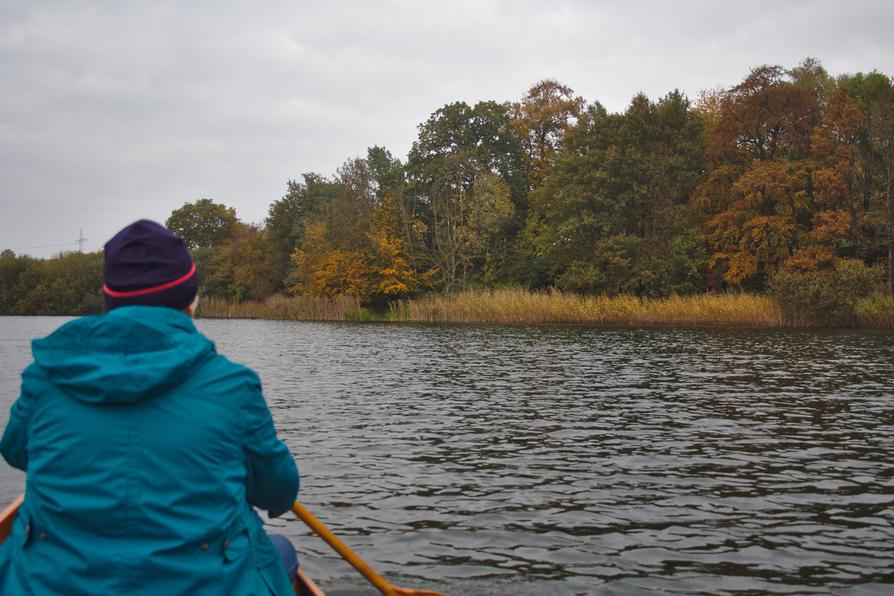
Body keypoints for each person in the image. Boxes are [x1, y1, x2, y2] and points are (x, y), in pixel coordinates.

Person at [0, 220, 301, 594]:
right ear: (190, 301)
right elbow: (278, 493)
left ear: (109, 300)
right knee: (282, 550)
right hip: (203, 583)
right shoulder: (232, 387)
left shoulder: (43, 379)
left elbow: (15, 452)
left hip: (54, 582)